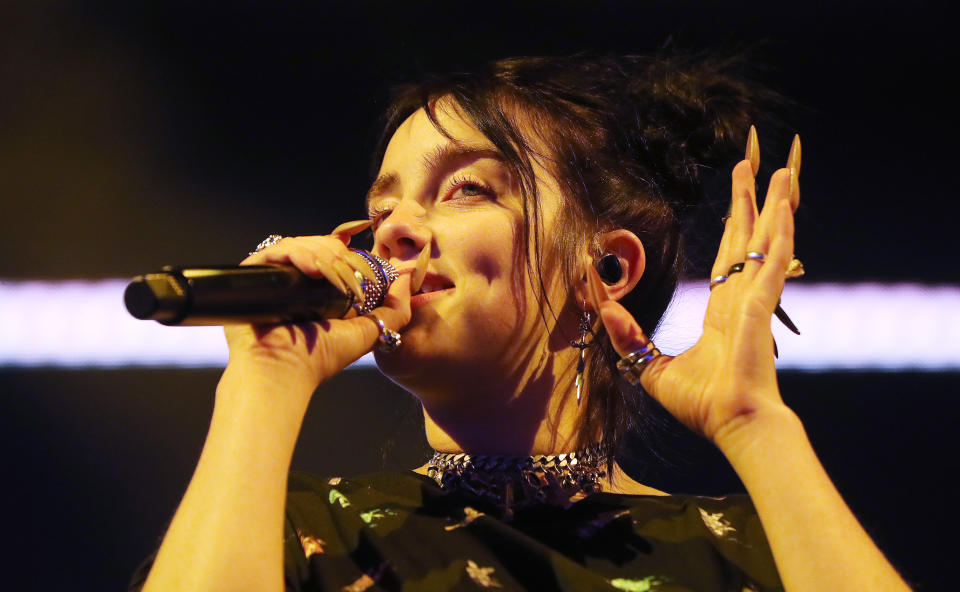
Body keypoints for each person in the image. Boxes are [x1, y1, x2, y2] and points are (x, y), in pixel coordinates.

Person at [131, 55, 910, 591]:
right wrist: (265, 378)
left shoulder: (747, 551)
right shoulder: (302, 535)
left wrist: (755, 424)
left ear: (606, 270)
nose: (395, 230)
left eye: (466, 189)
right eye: (382, 206)